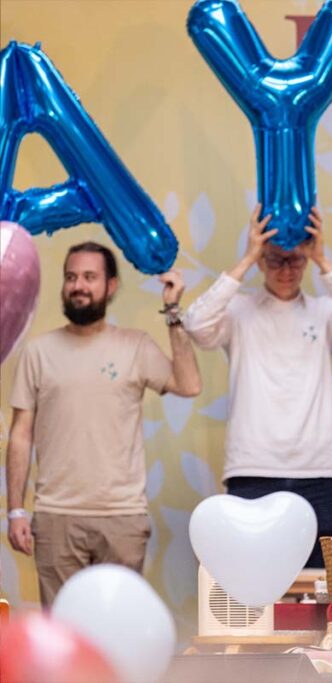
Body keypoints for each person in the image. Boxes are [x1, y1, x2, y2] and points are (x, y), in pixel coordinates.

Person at [182, 205, 332, 568]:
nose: (286, 270)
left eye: (295, 261)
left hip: (320, 469)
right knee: (252, 579)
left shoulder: (324, 313)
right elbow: (195, 324)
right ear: (261, 262)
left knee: (320, 584)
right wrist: (246, 258)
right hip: (252, 467)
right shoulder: (238, 312)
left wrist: (322, 259)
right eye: (274, 261)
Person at [6, 242, 202, 605]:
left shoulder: (135, 346)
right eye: (71, 277)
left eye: (89, 277)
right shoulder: (38, 352)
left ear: (110, 286)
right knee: (64, 639)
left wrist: (173, 311)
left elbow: (189, 384)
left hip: (122, 518)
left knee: (118, 636)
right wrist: (16, 510)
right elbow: (20, 436)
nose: (78, 285)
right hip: (55, 518)